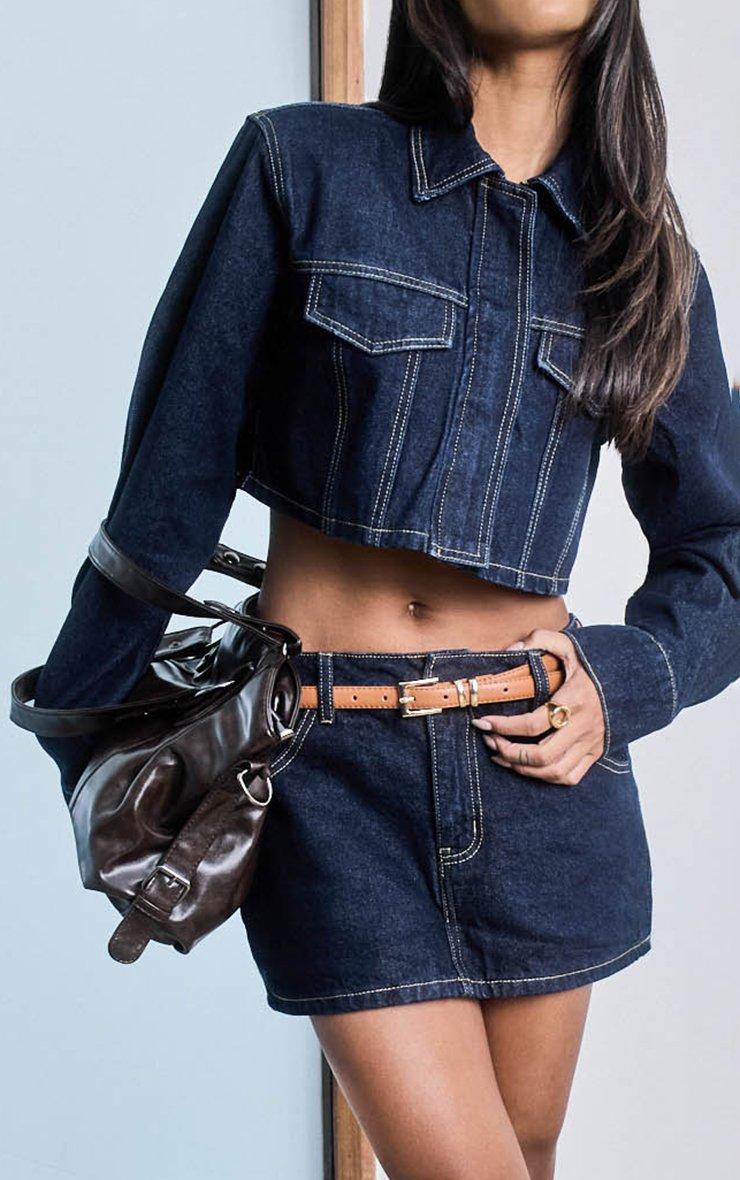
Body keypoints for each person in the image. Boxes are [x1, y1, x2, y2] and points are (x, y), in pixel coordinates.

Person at [28, 1, 739, 1176]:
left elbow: (720, 545)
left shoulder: (644, 258)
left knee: (523, 1155)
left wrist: (623, 682)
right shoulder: (298, 164)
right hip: (328, 774)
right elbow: (165, 489)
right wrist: (84, 739)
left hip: (541, 773)